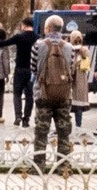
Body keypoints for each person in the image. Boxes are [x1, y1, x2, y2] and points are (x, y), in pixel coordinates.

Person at [30, 16, 74, 172]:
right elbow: (72, 69)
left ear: (48, 28)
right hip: (63, 95)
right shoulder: (69, 47)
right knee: (63, 131)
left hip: (43, 94)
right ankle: (63, 165)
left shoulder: (38, 45)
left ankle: (39, 165)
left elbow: (34, 69)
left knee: (41, 131)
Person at [6, 17, 37, 127]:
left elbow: (5, 43)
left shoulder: (19, 37)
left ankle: (18, 116)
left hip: (20, 69)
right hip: (32, 70)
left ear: (24, 25)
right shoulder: (37, 38)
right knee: (29, 95)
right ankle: (26, 119)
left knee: (17, 93)